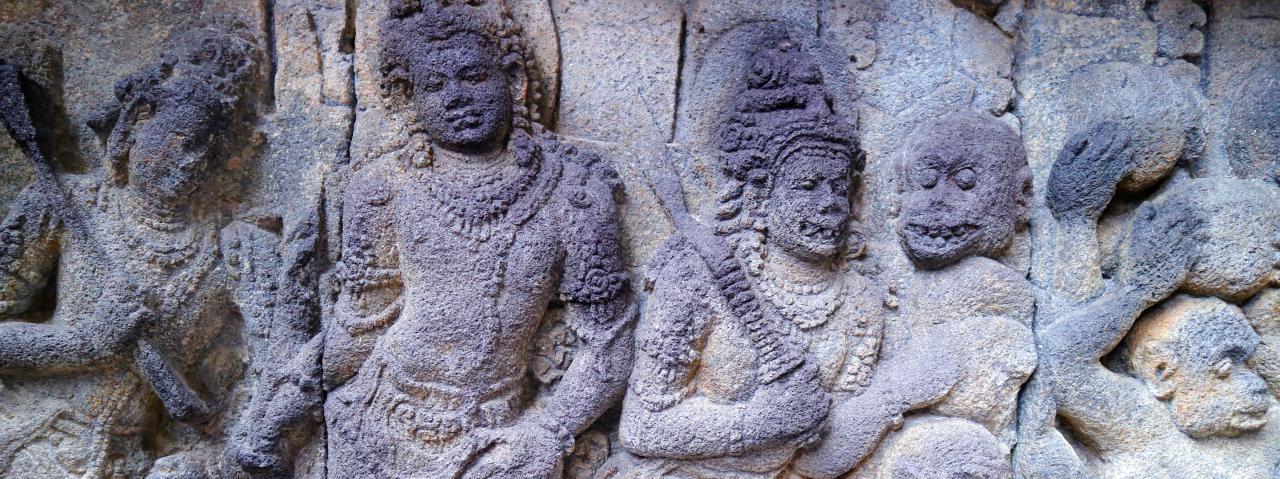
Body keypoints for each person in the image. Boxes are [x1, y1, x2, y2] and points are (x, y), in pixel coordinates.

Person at [315, 2, 634, 477]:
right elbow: (360, 322)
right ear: (409, 98)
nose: (456, 98)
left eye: (472, 77)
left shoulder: (575, 194)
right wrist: (298, 391)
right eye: (434, 86)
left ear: (513, 79)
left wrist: (550, 432)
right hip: (377, 416)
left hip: (501, 435)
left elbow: (611, 341)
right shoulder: (383, 187)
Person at [0, 20, 264, 478]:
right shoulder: (67, 203)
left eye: (208, 152)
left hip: (132, 464)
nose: (190, 163)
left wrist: (207, 441)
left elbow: (247, 390)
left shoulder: (229, 252)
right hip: (31, 442)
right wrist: (85, 343)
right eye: (180, 142)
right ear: (138, 123)